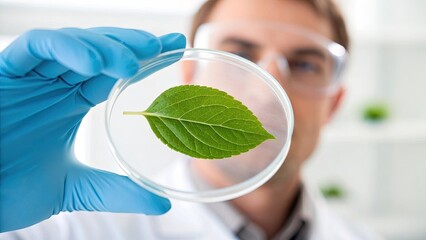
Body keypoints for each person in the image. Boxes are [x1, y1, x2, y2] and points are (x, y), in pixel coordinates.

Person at [0, 0, 380, 239]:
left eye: (304, 64)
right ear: (188, 75)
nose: (267, 90)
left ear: (334, 104)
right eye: (240, 55)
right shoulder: (61, 232)